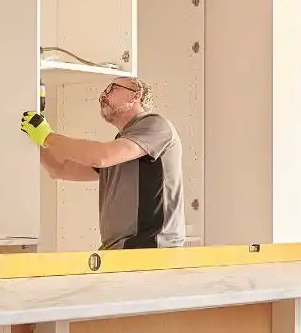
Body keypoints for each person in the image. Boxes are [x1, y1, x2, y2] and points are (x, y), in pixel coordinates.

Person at [18, 77, 185, 249]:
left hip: (152, 249)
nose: (103, 95)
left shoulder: (155, 125)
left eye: (112, 88)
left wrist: (47, 137)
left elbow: (101, 156)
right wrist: (33, 136)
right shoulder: (123, 148)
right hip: (120, 250)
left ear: (135, 95)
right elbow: (59, 169)